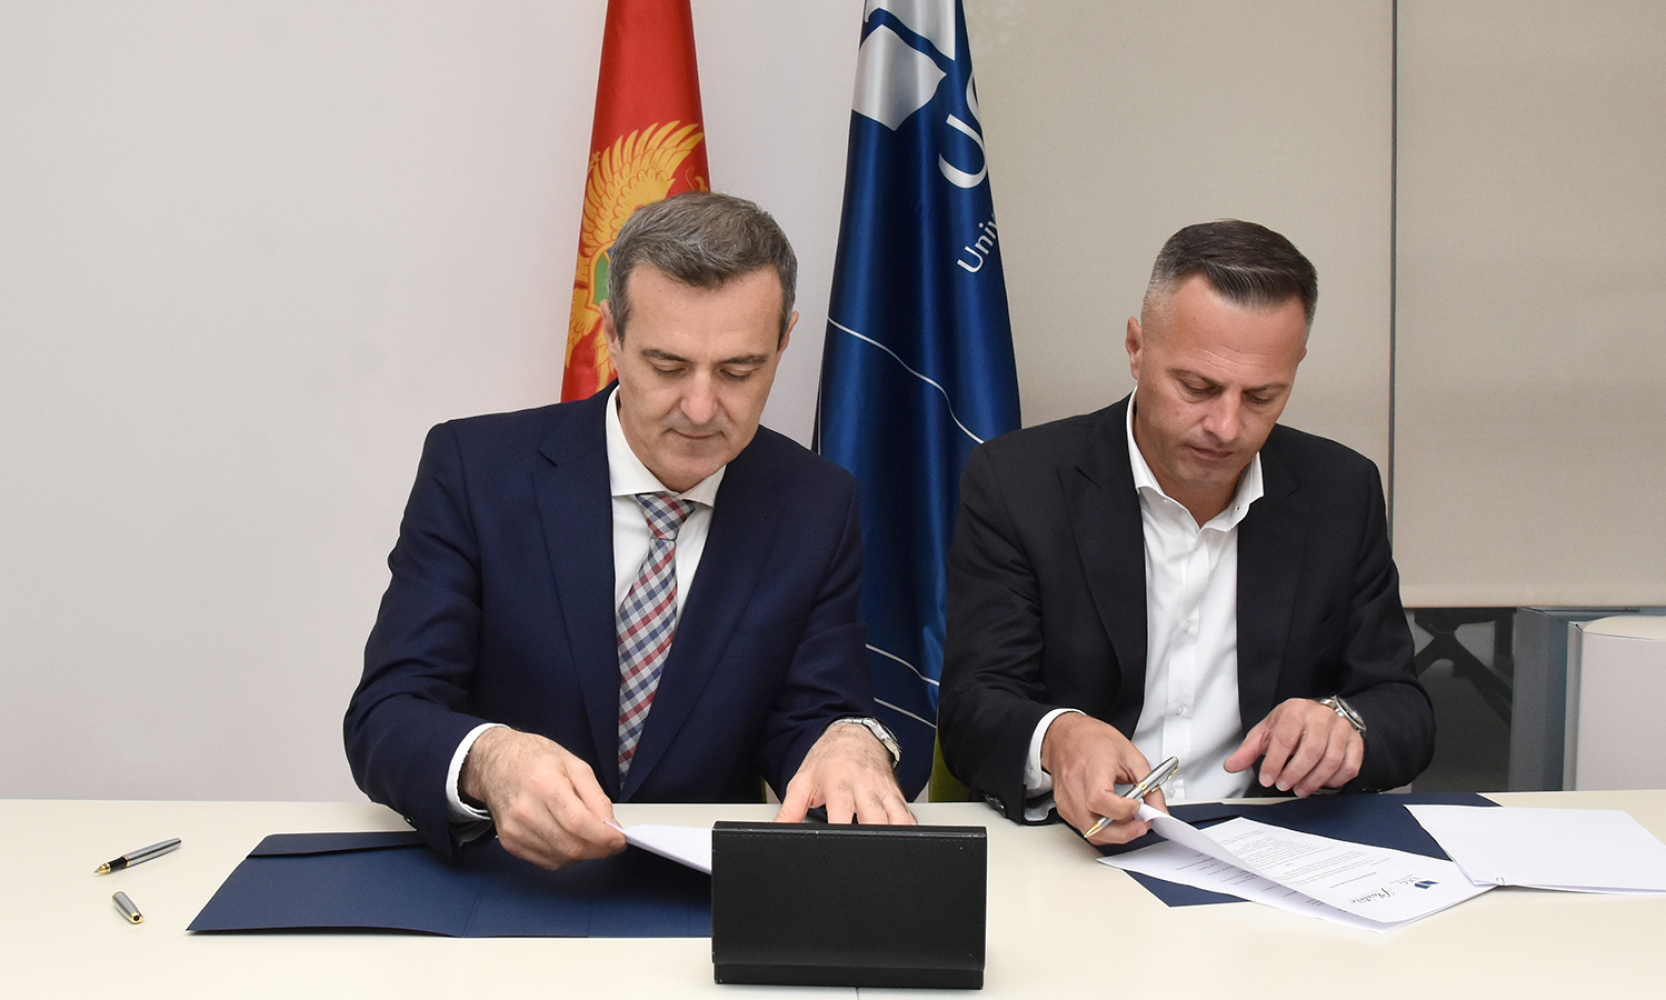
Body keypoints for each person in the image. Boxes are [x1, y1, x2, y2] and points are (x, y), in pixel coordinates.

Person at [345, 192, 913, 870]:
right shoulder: (475, 470)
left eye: (739, 370)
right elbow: (389, 710)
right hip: (505, 880)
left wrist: (847, 740)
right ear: (612, 334)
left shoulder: (816, 503)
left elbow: (813, 714)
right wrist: (489, 759)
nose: (700, 408)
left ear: (784, 340)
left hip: (698, 894)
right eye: (667, 366)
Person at [938, 220, 1434, 845]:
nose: (1226, 426)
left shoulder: (1341, 490)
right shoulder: (1020, 483)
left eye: (1262, 396)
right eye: (1197, 387)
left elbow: (1402, 707)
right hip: (1077, 848)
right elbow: (973, 707)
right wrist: (1059, 737)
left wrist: (1345, 725)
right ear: (1136, 347)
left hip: (1271, 849)